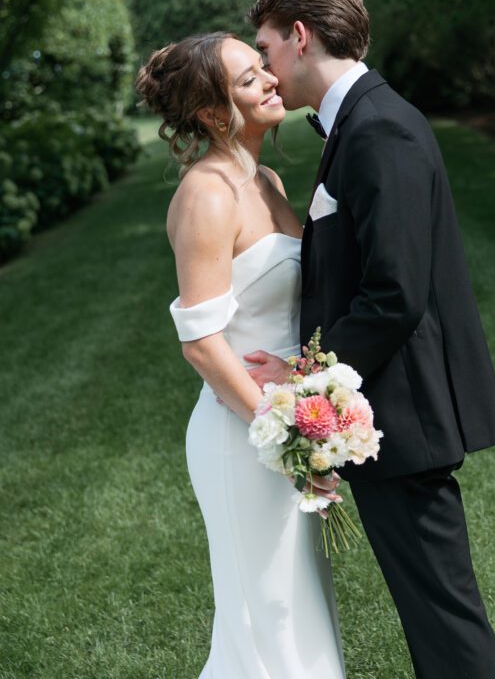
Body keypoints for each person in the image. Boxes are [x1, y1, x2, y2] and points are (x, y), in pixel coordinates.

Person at [244, 0, 495, 679]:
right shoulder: (359, 121)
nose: (264, 66)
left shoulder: (379, 126)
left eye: (265, 48)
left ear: (299, 38)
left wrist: (307, 389)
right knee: (433, 615)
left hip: (404, 414)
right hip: (392, 411)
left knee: (444, 620)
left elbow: (395, 293)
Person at [135, 33, 345, 679]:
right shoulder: (207, 195)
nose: (270, 81)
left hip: (285, 416)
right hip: (242, 435)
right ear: (208, 112)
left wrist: (312, 412)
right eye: (249, 78)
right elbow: (201, 341)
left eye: (262, 69)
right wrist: (284, 441)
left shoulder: (267, 179)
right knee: (265, 622)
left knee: (298, 610)